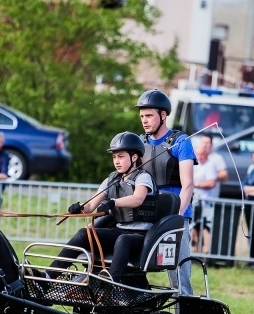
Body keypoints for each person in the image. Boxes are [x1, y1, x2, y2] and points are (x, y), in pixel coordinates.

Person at [48, 132, 155, 284]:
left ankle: (110, 282)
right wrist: (79, 208)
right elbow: (91, 205)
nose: (116, 161)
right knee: (83, 234)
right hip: (119, 231)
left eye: (121, 156)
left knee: (123, 240)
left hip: (141, 236)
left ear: (134, 157)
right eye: (114, 157)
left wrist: (113, 202)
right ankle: (47, 277)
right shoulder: (111, 179)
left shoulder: (143, 177)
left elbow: (138, 199)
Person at [135, 89, 195, 295]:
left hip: (175, 214)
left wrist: (177, 218)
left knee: (180, 278)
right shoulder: (139, 144)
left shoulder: (181, 141)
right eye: (142, 116)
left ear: (163, 115)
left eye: (149, 115)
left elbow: (188, 185)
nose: (144, 120)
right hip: (146, 213)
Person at [190, 136, 222, 253]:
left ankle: (207, 249)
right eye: (198, 155)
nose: (200, 157)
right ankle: (195, 248)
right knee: (194, 225)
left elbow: (211, 182)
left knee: (205, 226)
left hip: (206, 201)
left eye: (202, 155)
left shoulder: (210, 165)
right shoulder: (194, 164)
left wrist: (196, 184)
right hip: (195, 200)